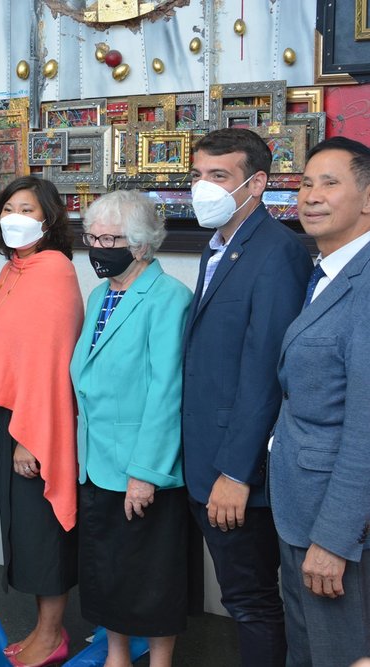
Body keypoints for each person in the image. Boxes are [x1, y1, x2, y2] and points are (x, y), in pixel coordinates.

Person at [182, 127, 310, 666]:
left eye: (219, 176)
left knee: (252, 603)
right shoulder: (219, 247)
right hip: (203, 459)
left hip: (237, 472)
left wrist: (236, 473)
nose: (203, 188)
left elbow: (267, 374)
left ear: (256, 184)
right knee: (242, 600)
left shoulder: (277, 253)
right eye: (197, 175)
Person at [70, 190, 193, 667]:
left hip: (144, 465)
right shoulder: (100, 294)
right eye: (92, 237)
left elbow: (168, 391)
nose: (98, 248)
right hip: (96, 460)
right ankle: (117, 656)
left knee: (152, 576)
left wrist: (145, 472)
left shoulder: (169, 298)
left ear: (141, 244)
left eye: (110, 239)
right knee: (107, 571)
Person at [0, 177, 81, 667]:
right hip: (13, 415)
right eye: (8, 208)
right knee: (25, 525)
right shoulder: (16, 267)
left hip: (37, 419)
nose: (15, 217)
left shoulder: (53, 270)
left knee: (42, 528)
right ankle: (42, 628)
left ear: (49, 220)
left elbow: (49, 365)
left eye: (27, 209)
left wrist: (30, 438)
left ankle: (52, 635)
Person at [270, 136, 370, 666]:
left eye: (330, 183)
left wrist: (334, 540)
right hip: (298, 506)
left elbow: (365, 429)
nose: (311, 196)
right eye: (306, 183)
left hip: (338, 527)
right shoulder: (327, 271)